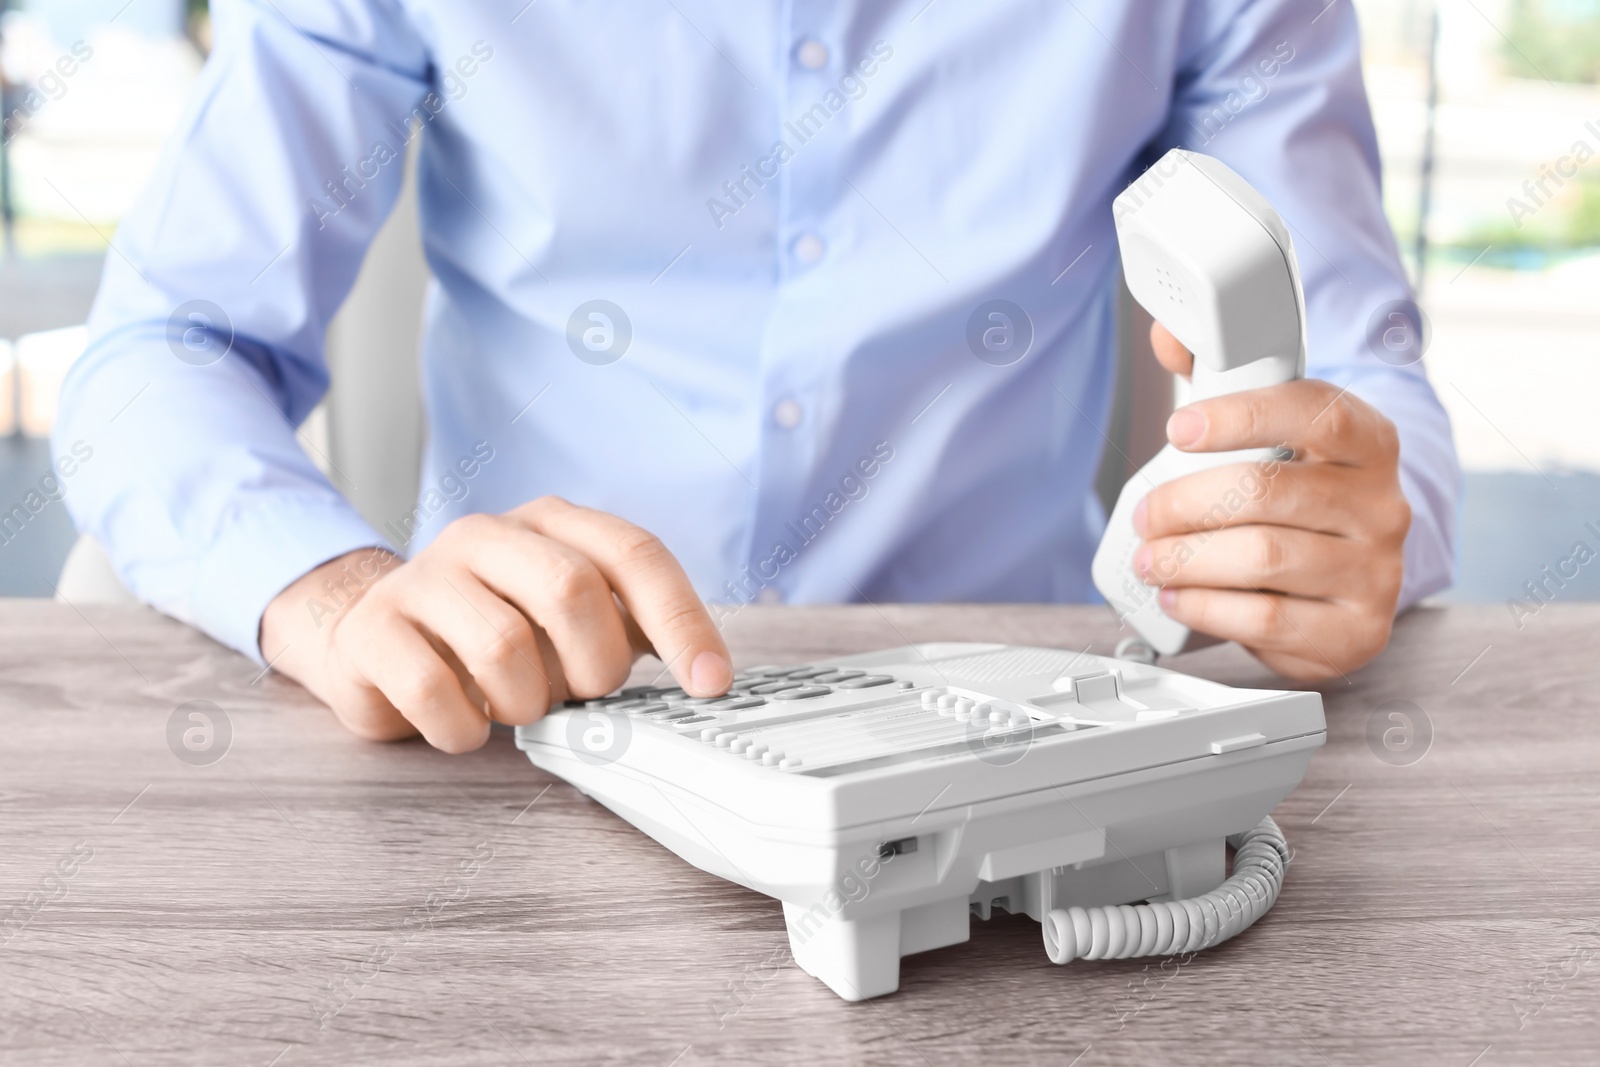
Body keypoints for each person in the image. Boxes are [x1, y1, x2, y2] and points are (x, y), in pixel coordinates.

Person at [54, 0, 1458, 753]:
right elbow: (162, 347)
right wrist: (337, 595)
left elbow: (1354, 375)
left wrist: (1339, 527)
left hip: (1014, 731)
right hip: (525, 733)